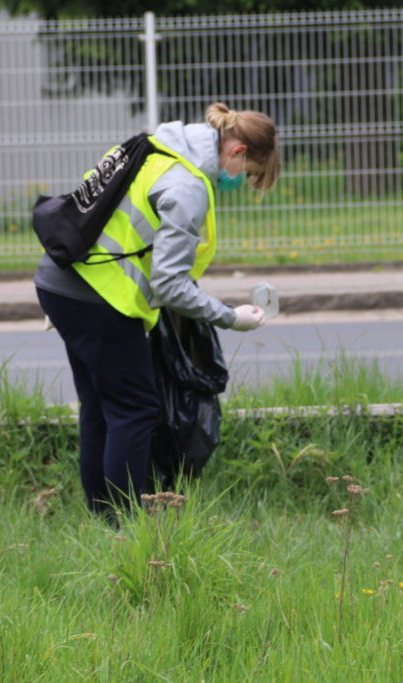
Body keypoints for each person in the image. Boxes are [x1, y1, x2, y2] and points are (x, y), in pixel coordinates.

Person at [34, 102, 281, 519]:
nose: (241, 181)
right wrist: (230, 317)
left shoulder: (154, 145)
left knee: (99, 410)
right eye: (250, 173)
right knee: (135, 410)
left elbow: (95, 210)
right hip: (98, 299)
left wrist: (69, 299)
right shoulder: (187, 185)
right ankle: (127, 528)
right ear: (237, 152)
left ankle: (104, 522)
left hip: (63, 284)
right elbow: (170, 284)